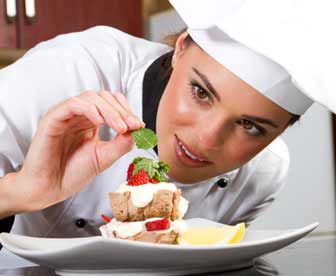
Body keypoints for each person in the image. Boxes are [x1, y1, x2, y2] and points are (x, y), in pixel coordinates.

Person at [0, 0, 332, 237]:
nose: (205, 139)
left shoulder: (262, 176)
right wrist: (25, 191)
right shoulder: (73, 70)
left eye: (251, 126)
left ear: (283, 130)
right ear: (182, 47)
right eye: (201, 93)